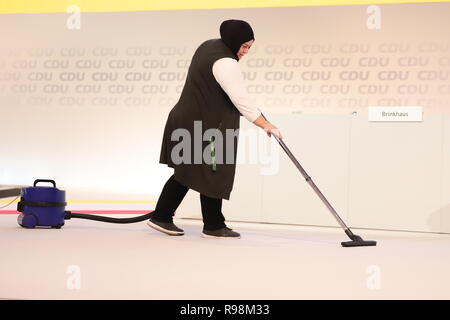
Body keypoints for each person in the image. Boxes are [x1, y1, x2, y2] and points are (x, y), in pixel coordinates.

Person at [147, 19, 282, 238]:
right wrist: (265, 124)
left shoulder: (208, 45)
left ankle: (203, 222)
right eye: (245, 46)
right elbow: (241, 100)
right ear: (233, 41)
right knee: (206, 171)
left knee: (197, 171)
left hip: (191, 120)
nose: (246, 51)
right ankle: (200, 223)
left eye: (249, 47)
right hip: (205, 125)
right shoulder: (226, 62)